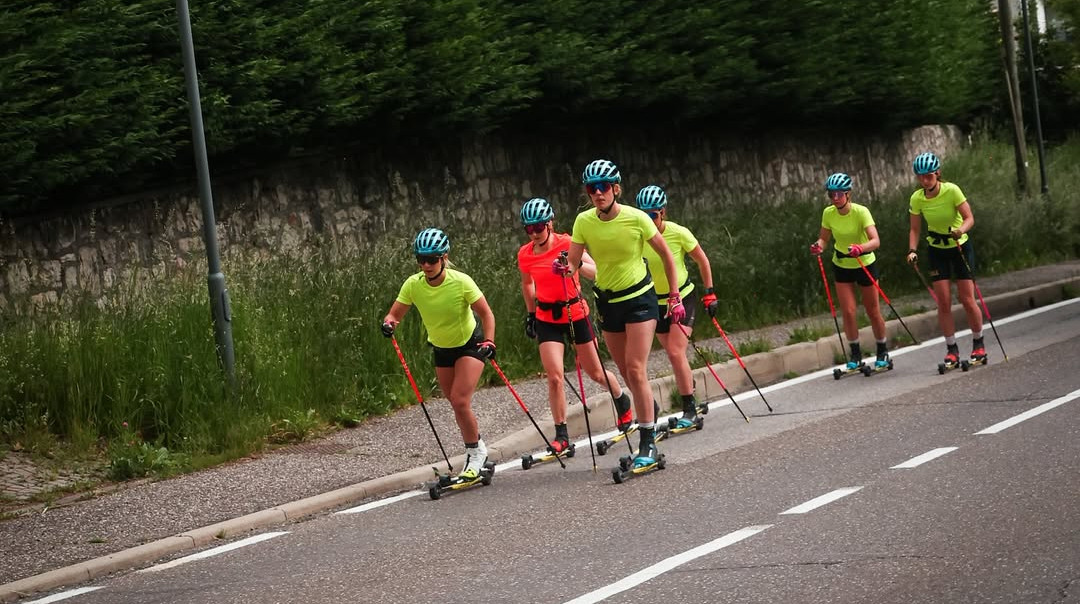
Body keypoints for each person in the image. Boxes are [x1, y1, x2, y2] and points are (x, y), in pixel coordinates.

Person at [562, 159, 683, 469]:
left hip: (640, 299)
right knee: (627, 372)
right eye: (592, 189)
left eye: (604, 187)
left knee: (635, 367)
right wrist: (566, 269)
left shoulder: (636, 218)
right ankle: (648, 412)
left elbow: (666, 255)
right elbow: (574, 262)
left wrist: (673, 295)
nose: (598, 193)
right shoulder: (583, 222)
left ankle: (648, 441)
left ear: (616, 189)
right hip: (608, 302)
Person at [381, 228, 496, 480]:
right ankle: (479, 449)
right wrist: (389, 323)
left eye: (432, 259)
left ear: (444, 257)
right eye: (421, 259)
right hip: (442, 349)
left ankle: (474, 454)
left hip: (470, 345)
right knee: (456, 404)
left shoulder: (461, 281)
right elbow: (394, 314)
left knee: (460, 400)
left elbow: (486, 314)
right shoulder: (413, 285)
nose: (426, 265)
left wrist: (489, 341)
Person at [517, 197, 629, 454]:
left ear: (550, 224)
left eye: (539, 227)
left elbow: (595, 270)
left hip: (575, 313)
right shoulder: (525, 254)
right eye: (529, 229)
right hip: (547, 318)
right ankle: (562, 435)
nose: (534, 233)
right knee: (555, 377)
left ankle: (622, 402)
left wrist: (572, 264)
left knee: (596, 373)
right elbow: (526, 284)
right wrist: (531, 314)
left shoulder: (567, 243)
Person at [635, 185, 719, 427]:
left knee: (674, 351)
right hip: (654, 302)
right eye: (644, 215)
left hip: (682, 299)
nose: (649, 220)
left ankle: (690, 410)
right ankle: (690, 392)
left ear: (663, 212)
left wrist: (710, 293)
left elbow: (702, 260)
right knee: (674, 354)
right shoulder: (639, 237)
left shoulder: (678, 233)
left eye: (653, 215)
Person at [906, 152, 984, 365]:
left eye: (928, 176)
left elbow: (970, 218)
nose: (924, 180)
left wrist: (960, 230)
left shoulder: (952, 190)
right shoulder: (917, 198)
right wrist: (912, 250)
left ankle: (979, 344)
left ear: (937, 173)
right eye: (920, 177)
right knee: (944, 302)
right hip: (936, 249)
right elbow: (914, 228)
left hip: (959, 246)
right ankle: (952, 349)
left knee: (967, 299)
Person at [809, 172, 890, 370]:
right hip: (842, 265)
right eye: (831, 194)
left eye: (838, 194)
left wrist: (860, 248)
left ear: (848, 194)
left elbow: (875, 241)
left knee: (872, 310)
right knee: (848, 312)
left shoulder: (861, 212)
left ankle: (882, 350)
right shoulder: (828, 213)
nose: (835, 198)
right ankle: (854, 354)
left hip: (864, 263)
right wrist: (818, 246)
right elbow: (825, 238)